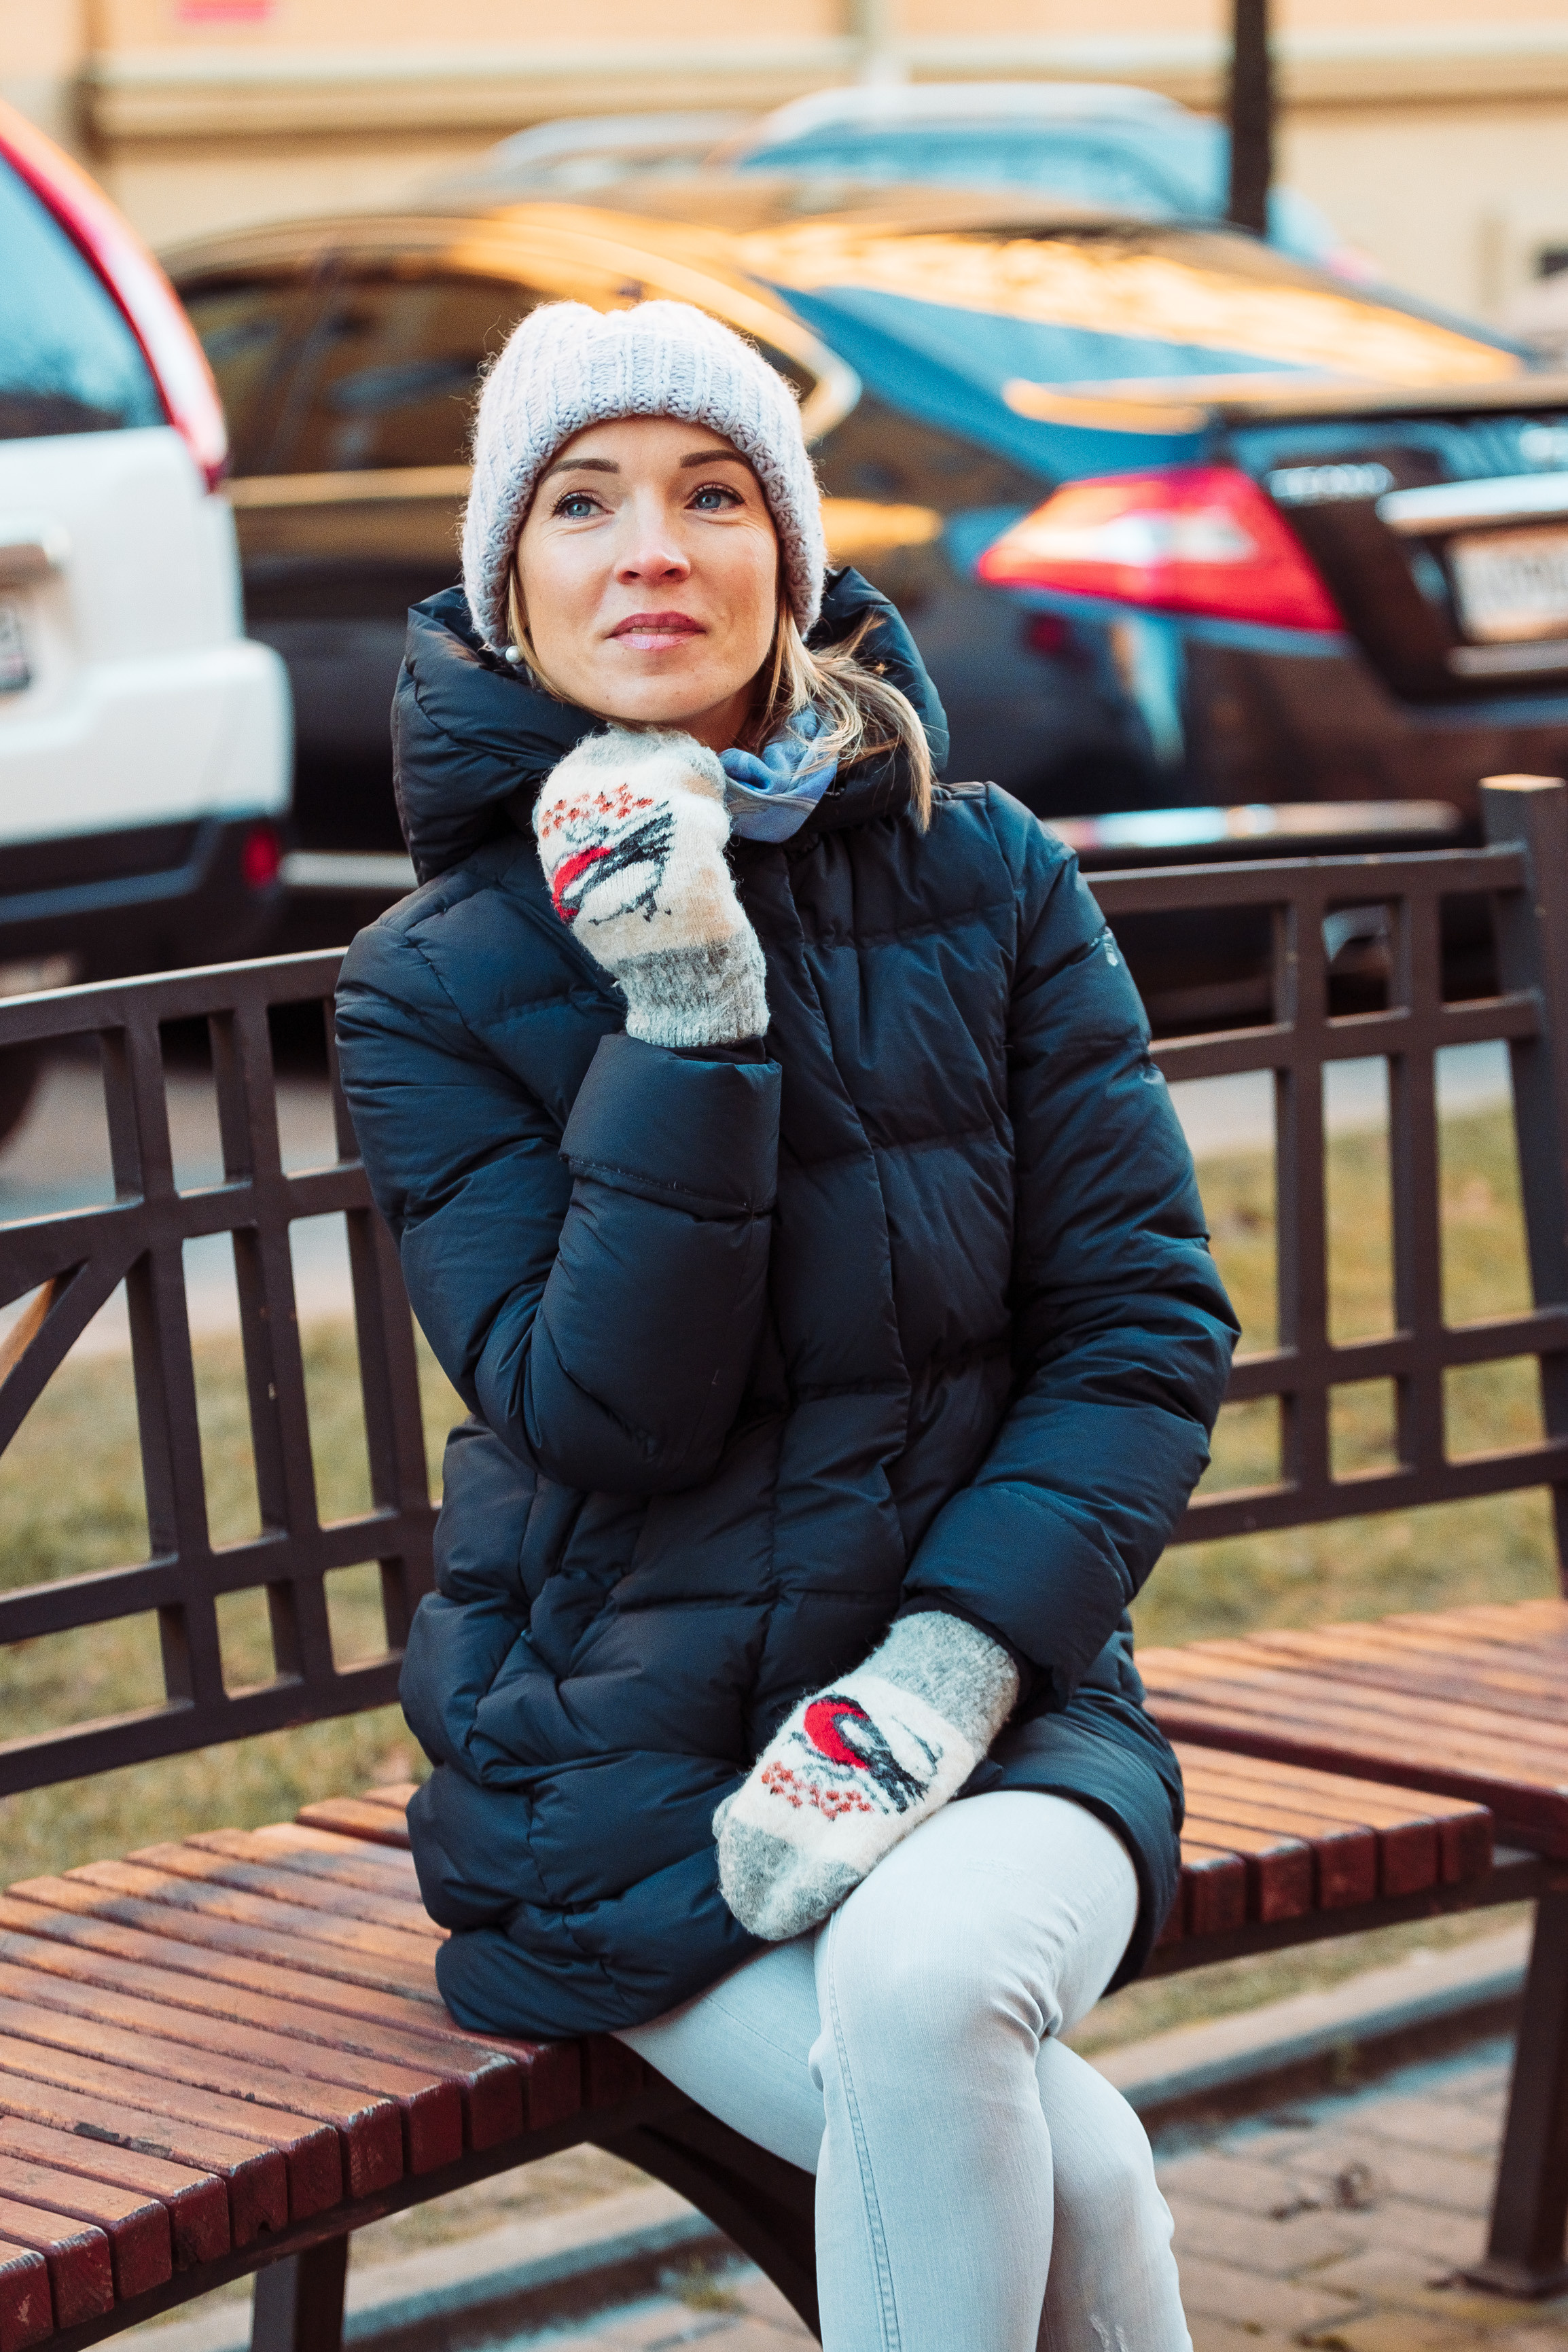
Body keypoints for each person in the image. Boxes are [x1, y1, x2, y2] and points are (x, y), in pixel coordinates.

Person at [335, 298, 1238, 2352]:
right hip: (622, 1775)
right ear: (508, 584)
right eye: (582, 502)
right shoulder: (429, 982)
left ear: (788, 560)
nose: (650, 547)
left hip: (990, 1706)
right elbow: (599, 1413)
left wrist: (936, 1677)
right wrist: (681, 1008)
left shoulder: (986, 876)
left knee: (936, 1993)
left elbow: (1136, 1327)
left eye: (710, 493)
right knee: (1074, 2167)